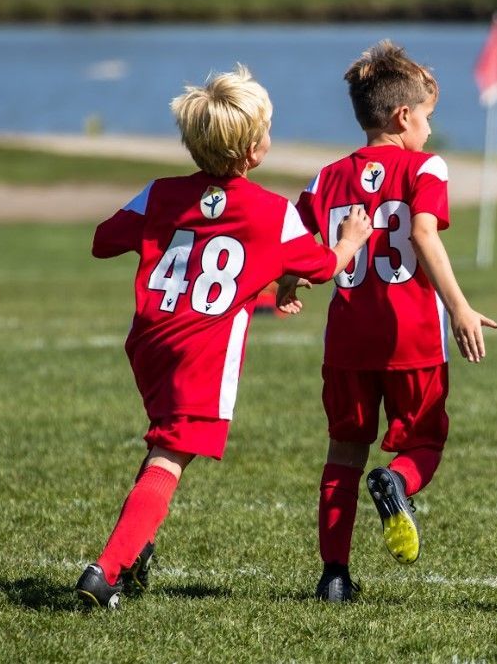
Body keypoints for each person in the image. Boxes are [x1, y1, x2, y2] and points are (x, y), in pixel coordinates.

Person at [75, 65, 371, 609]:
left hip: (150, 340)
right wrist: (350, 240)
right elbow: (325, 266)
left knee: (166, 439)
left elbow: (101, 241)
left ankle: (135, 550)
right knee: (171, 456)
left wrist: (162, 226)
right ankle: (106, 570)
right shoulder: (272, 212)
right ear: (254, 150)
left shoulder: (159, 193)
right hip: (200, 352)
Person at [278, 40, 497, 603]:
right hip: (412, 338)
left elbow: (298, 247)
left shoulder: (325, 177)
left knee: (342, 453)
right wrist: (458, 305)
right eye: (428, 116)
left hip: (348, 341)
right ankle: (397, 481)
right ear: (404, 116)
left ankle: (333, 575)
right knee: (425, 440)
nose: (429, 128)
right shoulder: (427, 166)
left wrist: (287, 282)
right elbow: (422, 234)